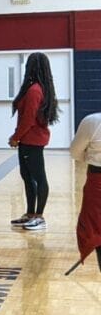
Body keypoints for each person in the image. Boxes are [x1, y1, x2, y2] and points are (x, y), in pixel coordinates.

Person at [10, 52, 59, 232]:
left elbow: (28, 119)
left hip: (33, 140)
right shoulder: (36, 88)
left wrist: (15, 137)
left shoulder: (35, 90)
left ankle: (39, 217)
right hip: (28, 140)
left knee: (38, 178)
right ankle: (30, 214)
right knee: (27, 177)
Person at [70, 112, 101, 277]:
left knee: (97, 229)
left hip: (98, 181)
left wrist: (90, 157)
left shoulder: (92, 121)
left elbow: (75, 152)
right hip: (97, 182)